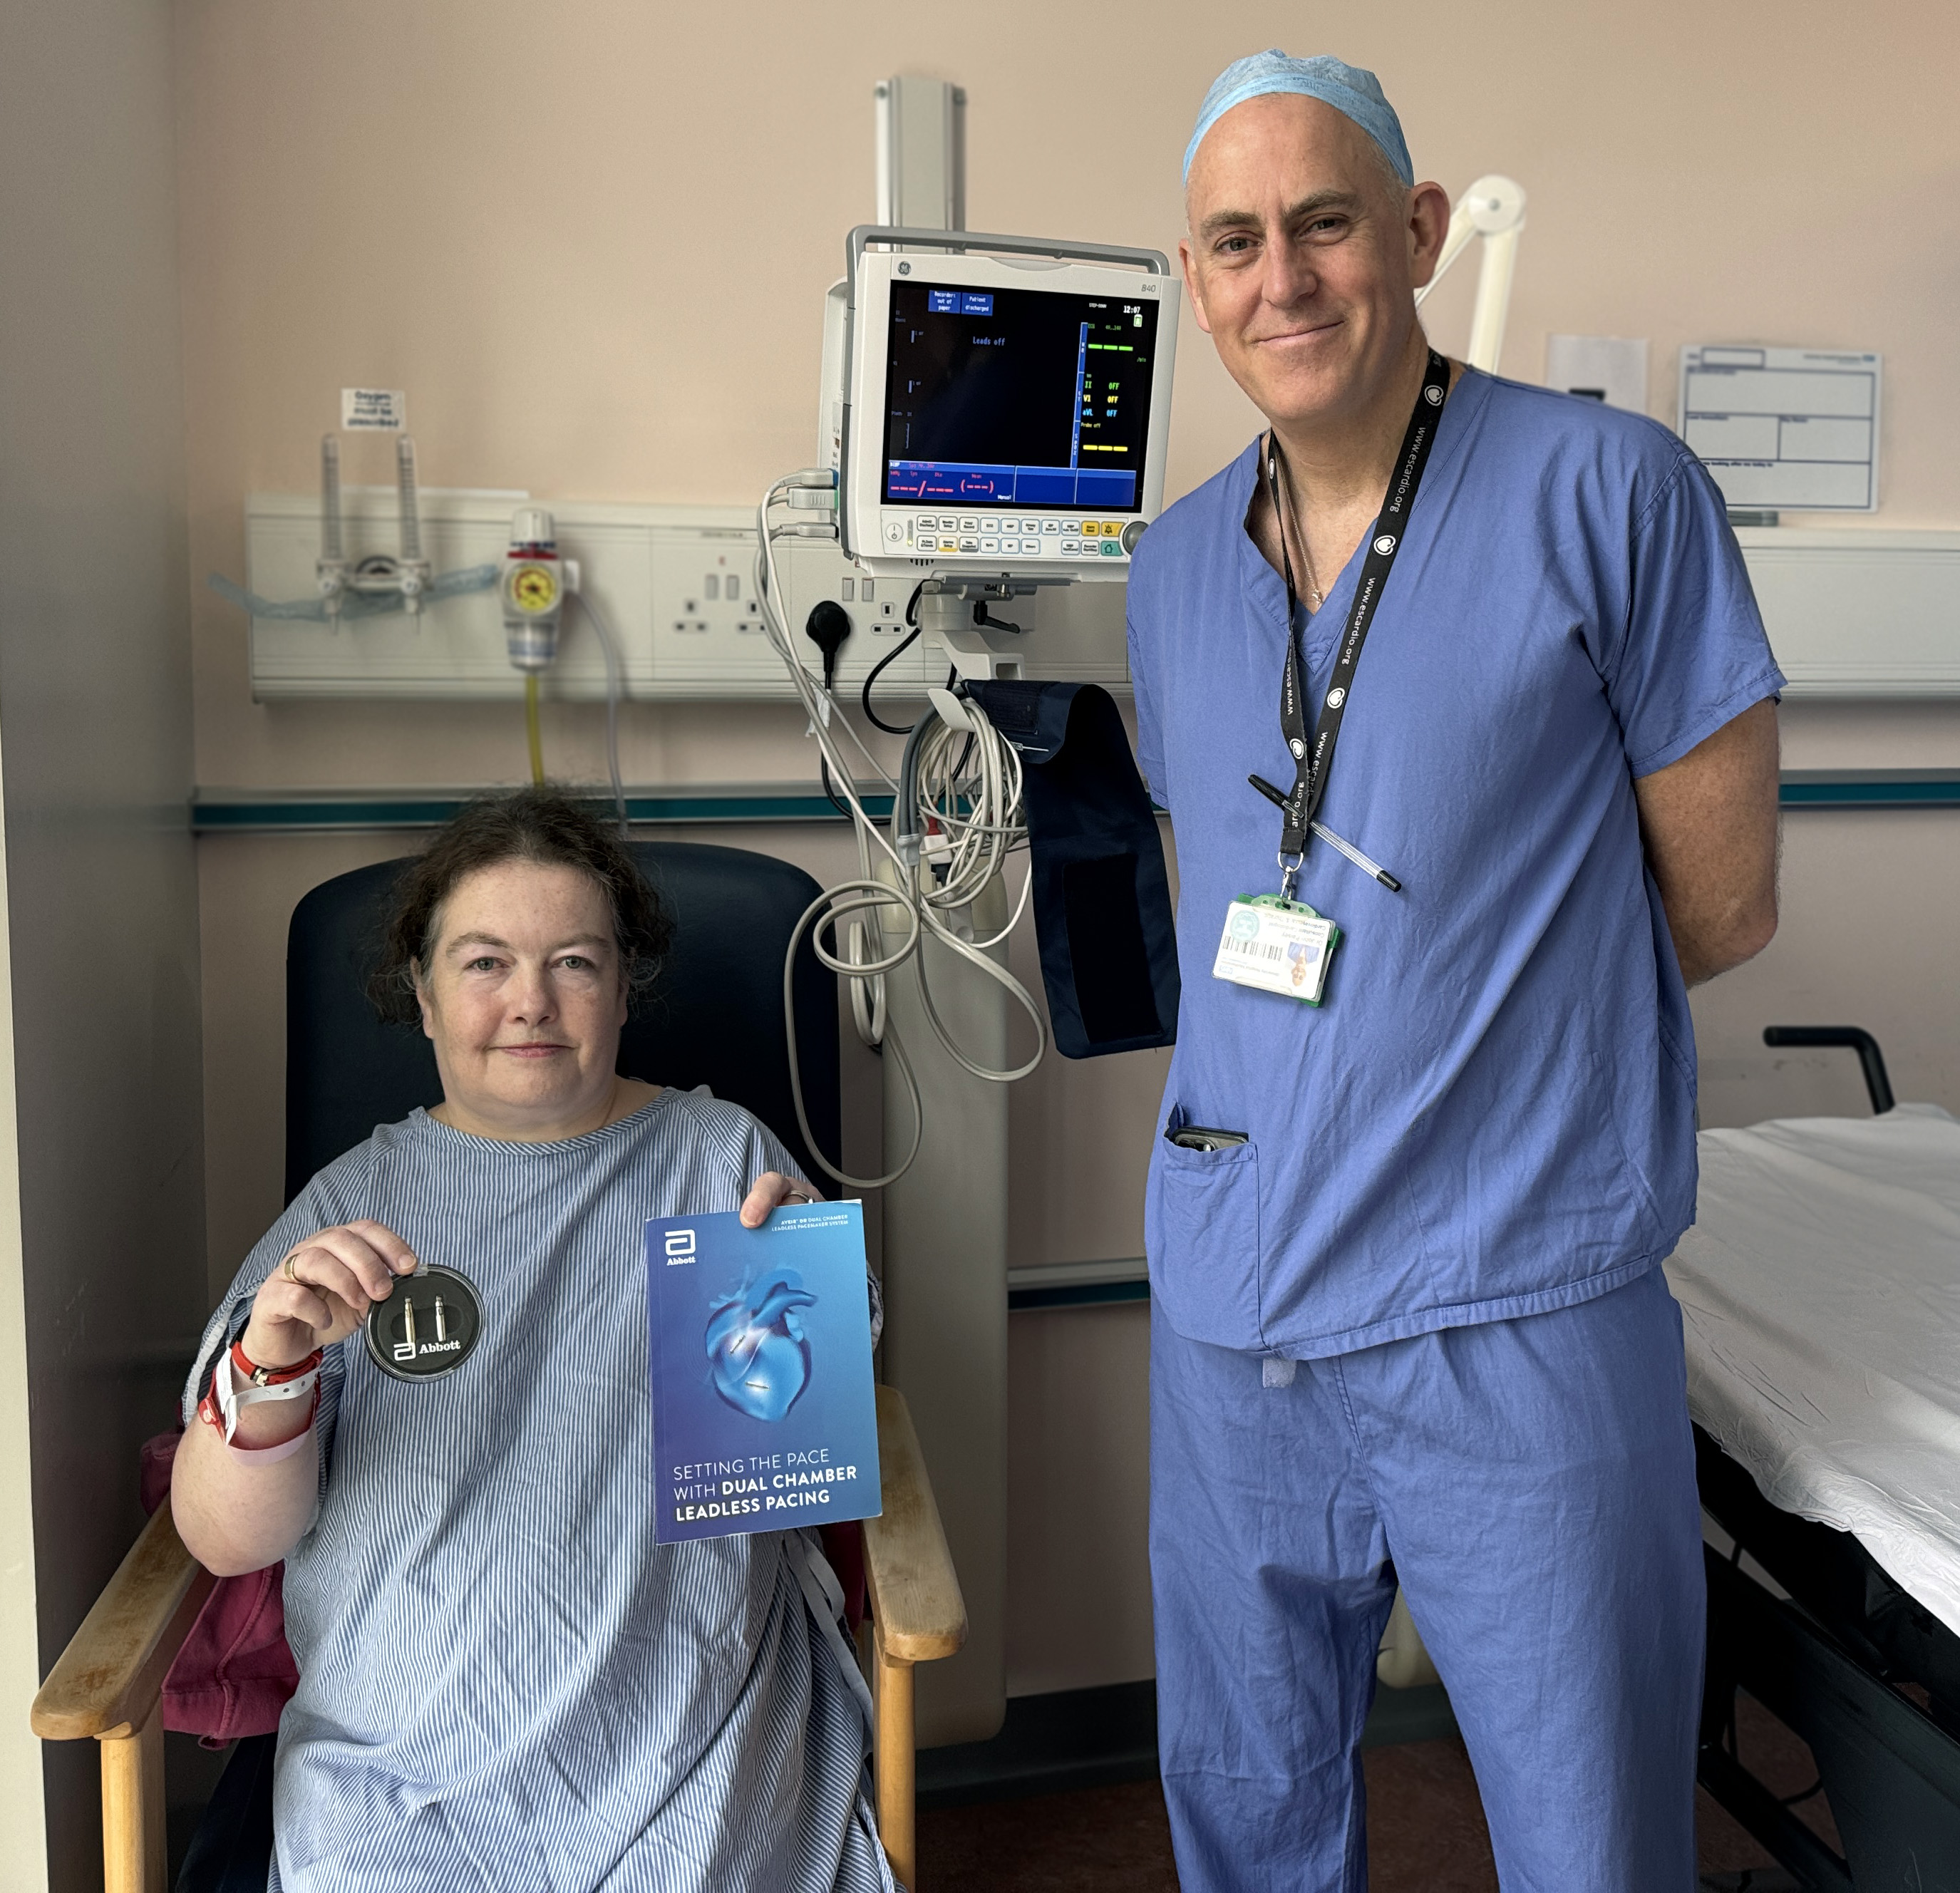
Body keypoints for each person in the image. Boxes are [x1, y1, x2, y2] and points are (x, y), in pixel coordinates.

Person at [1126, 51, 1783, 1892]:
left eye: (1324, 223)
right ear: (1193, 281)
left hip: (1514, 1311)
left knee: (1588, 1844)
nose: (1283, 278)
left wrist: (1485, 1045)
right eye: (1234, 241)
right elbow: (1223, 920)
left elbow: (1718, 910)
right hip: (1231, 1316)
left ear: (1412, 234)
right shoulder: (1169, 570)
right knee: (1243, 1826)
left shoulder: (1608, 495)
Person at [172, 790, 892, 1892]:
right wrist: (275, 1362)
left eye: (574, 962)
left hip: (688, 1749)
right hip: (400, 1777)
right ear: (419, 994)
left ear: (621, 986)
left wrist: (801, 1297)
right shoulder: (351, 1206)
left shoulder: (724, 1167)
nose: (530, 1003)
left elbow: (806, 1476)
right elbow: (225, 1542)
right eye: (483, 963)